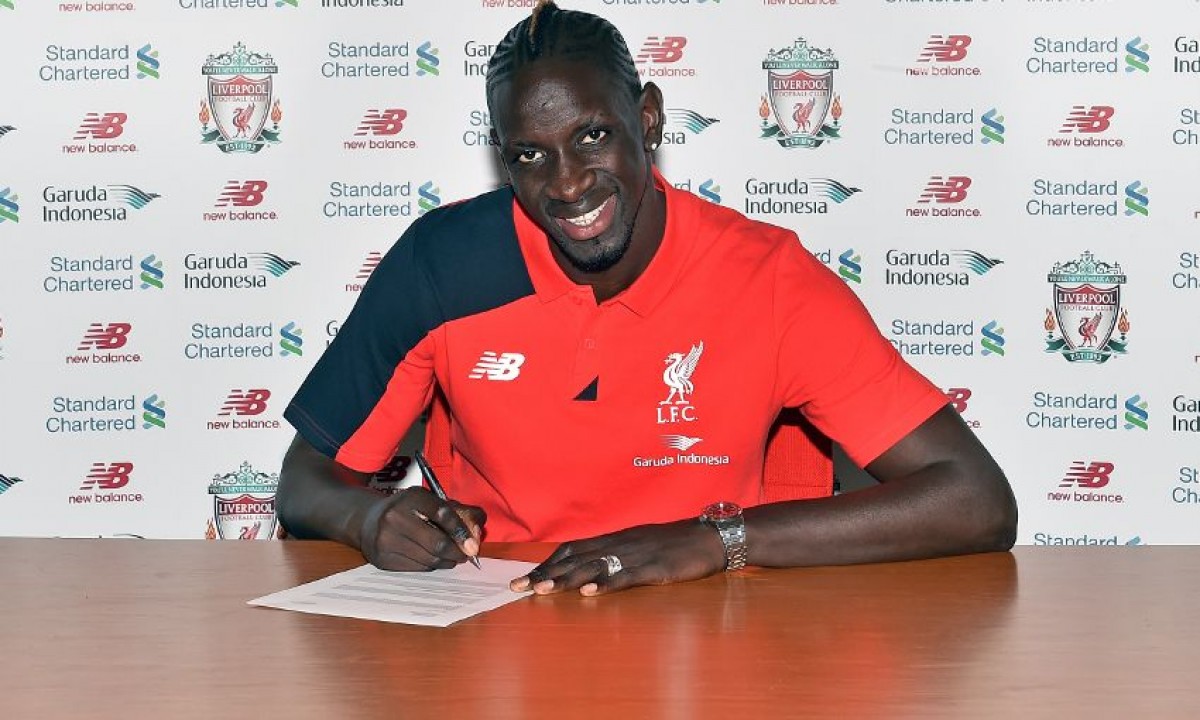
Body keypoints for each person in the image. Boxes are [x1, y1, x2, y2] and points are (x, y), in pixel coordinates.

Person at [277, 0, 1017, 597]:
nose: (567, 184)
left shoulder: (766, 277)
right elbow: (305, 480)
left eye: (592, 135)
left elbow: (976, 500)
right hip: (496, 614)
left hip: (710, 621)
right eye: (530, 155)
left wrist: (712, 540)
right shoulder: (441, 264)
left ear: (650, 119)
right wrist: (369, 519)